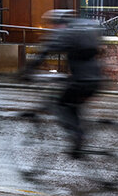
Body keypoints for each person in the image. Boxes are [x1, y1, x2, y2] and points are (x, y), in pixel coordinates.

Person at [21, 9, 104, 157]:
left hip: (81, 80)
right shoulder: (83, 31)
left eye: (53, 24)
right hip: (96, 79)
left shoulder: (65, 33)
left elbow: (45, 51)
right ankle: (79, 137)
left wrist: (27, 71)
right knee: (72, 103)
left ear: (58, 23)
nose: (53, 28)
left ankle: (78, 137)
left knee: (61, 104)